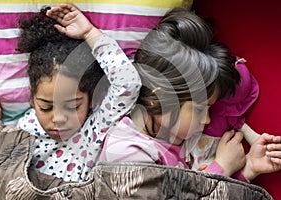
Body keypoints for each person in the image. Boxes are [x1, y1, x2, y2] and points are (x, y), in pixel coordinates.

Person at [100, 7, 281, 182]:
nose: (207, 120)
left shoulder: (174, 137)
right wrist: (221, 169)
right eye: (200, 109)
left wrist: (249, 169)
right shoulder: (126, 154)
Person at [0, 4, 141, 183]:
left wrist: (89, 33)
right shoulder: (23, 128)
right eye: (46, 107)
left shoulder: (95, 128)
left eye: (72, 106)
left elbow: (128, 84)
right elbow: (0, 171)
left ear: (90, 99)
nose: (58, 118)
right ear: (32, 100)